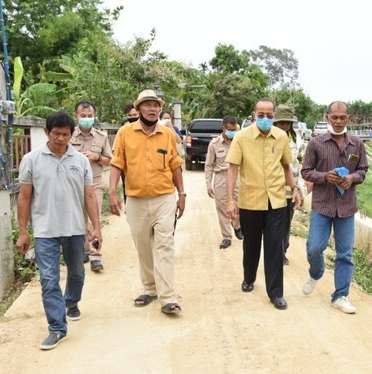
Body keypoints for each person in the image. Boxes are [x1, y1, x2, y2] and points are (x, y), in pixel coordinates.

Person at [16, 111, 102, 350]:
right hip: (45, 231)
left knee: (77, 273)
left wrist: (96, 227)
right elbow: (24, 198)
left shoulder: (81, 160)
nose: (61, 139)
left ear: (71, 134)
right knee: (49, 279)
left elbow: (89, 195)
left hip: (75, 228)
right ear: (46, 132)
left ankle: (71, 302)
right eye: (56, 134)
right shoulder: (31, 159)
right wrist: (23, 232)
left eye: (65, 134)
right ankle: (56, 328)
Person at [108, 89, 186, 315]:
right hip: (136, 199)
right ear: (138, 108)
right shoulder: (124, 133)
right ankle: (150, 289)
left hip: (164, 198)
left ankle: (168, 297)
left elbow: (175, 165)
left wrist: (182, 195)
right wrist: (112, 192)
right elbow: (117, 163)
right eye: (147, 105)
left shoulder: (167, 134)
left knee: (164, 246)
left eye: (156, 105)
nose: (153, 109)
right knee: (143, 247)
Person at [226, 98, 301, 310]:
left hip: (276, 200)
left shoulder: (281, 137)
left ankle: (276, 292)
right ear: (253, 115)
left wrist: (294, 189)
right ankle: (249, 277)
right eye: (261, 115)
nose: (265, 119)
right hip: (250, 200)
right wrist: (231, 200)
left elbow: (287, 167)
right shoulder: (241, 138)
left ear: (274, 116)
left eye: (269, 115)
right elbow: (232, 169)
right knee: (251, 245)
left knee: (275, 247)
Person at [300, 101, 368, 314]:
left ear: (349, 118)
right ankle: (316, 272)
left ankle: (340, 296)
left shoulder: (356, 144)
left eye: (342, 118)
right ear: (327, 117)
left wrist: (352, 177)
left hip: (346, 208)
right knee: (314, 248)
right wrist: (323, 176)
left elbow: (363, 170)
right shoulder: (316, 143)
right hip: (322, 206)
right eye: (334, 117)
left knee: (345, 254)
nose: (338, 121)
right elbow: (306, 171)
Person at [71, 101, 112, 272]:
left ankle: (95, 255)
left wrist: (96, 157)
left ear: (95, 116)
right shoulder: (69, 136)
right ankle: (83, 251)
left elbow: (109, 160)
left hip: (94, 183)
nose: (87, 119)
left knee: (94, 221)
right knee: (78, 220)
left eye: (90, 116)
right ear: (76, 116)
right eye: (83, 116)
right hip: (74, 184)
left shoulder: (101, 137)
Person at [204, 115, 243, 249]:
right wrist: (209, 185)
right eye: (230, 129)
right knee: (222, 208)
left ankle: (237, 225)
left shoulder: (239, 141)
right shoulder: (214, 144)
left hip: (237, 177)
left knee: (239, 205)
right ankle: (226, 237)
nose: (232, 132)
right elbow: (208, 165)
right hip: (221, 178)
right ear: (223, 128)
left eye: (234, 129)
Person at [273, 105, 305, 265]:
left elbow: (302, 160)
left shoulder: (296, 140)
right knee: (273, 225)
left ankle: (283, 251)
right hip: (271, 190)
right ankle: (275, 252)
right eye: (281, 122)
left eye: (287, 122)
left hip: (290, 191)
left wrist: (305, 183)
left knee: (286, 223)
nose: (284, 125)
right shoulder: (268, 139)